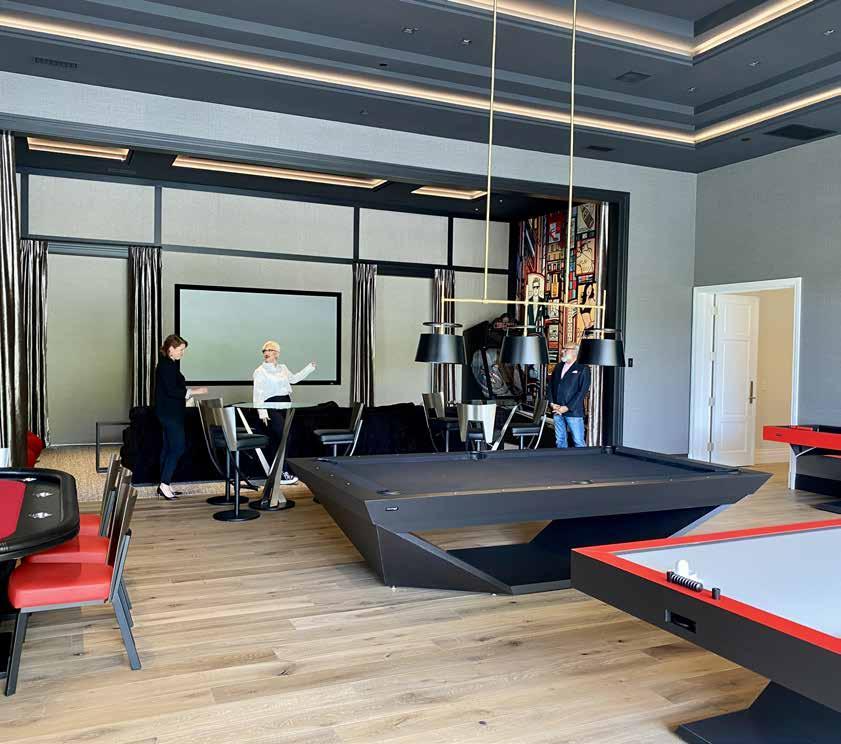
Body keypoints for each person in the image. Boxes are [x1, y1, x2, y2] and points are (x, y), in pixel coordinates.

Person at [253, 341, 316, 485]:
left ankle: (278, 471)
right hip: (271, 406)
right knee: (282, 437)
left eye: (269, 350)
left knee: (285, 438)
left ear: (277, 353)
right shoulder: (260, 371)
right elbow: (258, 393)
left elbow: (294, 379)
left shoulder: (283, 368)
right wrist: (262, 412)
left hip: (286, 405)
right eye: (264, 350)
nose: (266, 353)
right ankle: (281, 472)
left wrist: (309, 368)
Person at [154, 334, 207, 501]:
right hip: (170, 414)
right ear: (171, 349)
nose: (182, 353)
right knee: (177, 448)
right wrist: (194, 391)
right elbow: (172, 391)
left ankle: (163, 484)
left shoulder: (168, 364)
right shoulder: (166, 366)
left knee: (168, 448)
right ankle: (164, 483)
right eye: (180, 350)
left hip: (169, 413)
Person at [548, 343, 591, 448]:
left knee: (578, 441)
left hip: (573, 412)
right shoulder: (558, 366)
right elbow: (550, 386)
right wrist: (552, 403)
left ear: (574, 352)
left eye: (565, 349)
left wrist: (567, 407)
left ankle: (583, 459)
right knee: (560, 440)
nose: (562, 351)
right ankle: (562, 459)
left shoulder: (582, 368)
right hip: (557, 410)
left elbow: (582, 392)